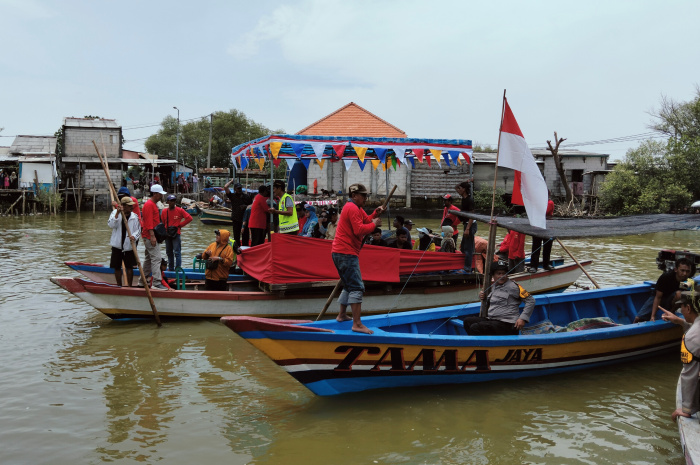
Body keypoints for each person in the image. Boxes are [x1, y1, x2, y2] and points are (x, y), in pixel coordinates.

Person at [331, 183, 385, 334]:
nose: (365, 198)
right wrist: (374, 225)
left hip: (340, 252)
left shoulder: (355, 208)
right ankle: (357, 324)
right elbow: (359, 230)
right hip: (346, 253)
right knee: (356, 287)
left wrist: (375, 214)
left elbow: (366, 220)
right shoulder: (352, 208)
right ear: (354, 196)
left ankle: (342, 315)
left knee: (348, 285)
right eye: (363, 195)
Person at [461, 260, 535, 335]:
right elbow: (496, 302)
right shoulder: (493, 286)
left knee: (475, 327)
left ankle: (481, 346)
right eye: (498, 273)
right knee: (467, 321)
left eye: (504, 273)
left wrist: (522, 318)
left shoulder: (513, 287)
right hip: (493, 320)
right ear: (493, 275)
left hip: (507, 324)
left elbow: (531, 301)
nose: (501, 276)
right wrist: (483, 297)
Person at [660, 288, 700, 422]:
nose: (681, 311)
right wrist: (680, 321)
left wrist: (686, 409)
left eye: (681, 308)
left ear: (688, 308)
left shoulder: (691, 338)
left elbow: (689, 374)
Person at [634, 257, 693, 322]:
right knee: (638, 318)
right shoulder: (666, 277)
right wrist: (652, 316)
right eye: (682, 270)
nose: (685, 274)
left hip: (672, 299)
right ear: (676, 269)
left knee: (680, 294)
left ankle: (671, 313)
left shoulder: (689, 280)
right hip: (659, 297)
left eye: (688, 271)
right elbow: (658, 297)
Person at [138, 184, 167, 290]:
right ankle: (156, 282)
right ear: (155, 194)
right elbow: (149, 222)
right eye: (160, 194)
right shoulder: (150, 205)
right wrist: (152, 236)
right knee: (156, 258)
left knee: (149, 259)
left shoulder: (152, 204)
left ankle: (142, 281)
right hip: (149, 235)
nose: (161, 196)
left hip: (149, 235)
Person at [108, 196, 141, 287]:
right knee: (117, 267)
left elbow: (138, 230)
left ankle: (129, 286)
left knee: (129, 267)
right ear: (123, 206)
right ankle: (119, 285)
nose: (132, 207)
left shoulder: (135, 217)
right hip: (117, 245)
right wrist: (117, 213)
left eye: (131, 206)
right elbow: (111, 225)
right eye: (129, 206)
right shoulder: (115, 213)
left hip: (129, 246)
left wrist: (134, 236)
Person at [161, 194, 193, 271]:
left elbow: (189, 218)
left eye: (174, 201)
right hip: (167, 234)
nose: (172, 202)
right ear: (168, 202)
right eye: (171, 201)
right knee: (169, 252)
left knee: (177, 252)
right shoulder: (164, 211)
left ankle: (178, 269)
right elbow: (162, 222)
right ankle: (171, 268)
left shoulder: (180, 210)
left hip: (176, 233)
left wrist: (180, 225)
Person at [527, 194, 556, 273]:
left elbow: (544, 212)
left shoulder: (550, 203)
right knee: (536, 247)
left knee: (547, 247)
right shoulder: (536, 202)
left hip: (548, 228)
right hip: (537, 227)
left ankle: (546, 264)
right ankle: (534, 266)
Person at [456, 181, 476, 272]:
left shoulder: (469, 200)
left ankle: (467, 268)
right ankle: (469, 264)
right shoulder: (463, 198)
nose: (458, 190)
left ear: (464, 190)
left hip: (470, 225)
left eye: (460, 188)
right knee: (463, 247)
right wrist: (466, 182)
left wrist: (467, 229)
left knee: (468, 248)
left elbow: (472, 216)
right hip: (466, 224)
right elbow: (455, 187)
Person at [224, 180, 252, 245]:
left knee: (245, 237)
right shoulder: (232, 196)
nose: (239, 190)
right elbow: (225, 187)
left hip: (244, 220)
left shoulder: (246, 196)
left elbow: (251, 206)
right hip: (236, 219)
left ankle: (245, 249)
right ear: (235, 189)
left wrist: (245, 206)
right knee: (236, 237)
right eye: (238, 188)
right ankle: (237, 250)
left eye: (240, 188)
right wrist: (231, 181)